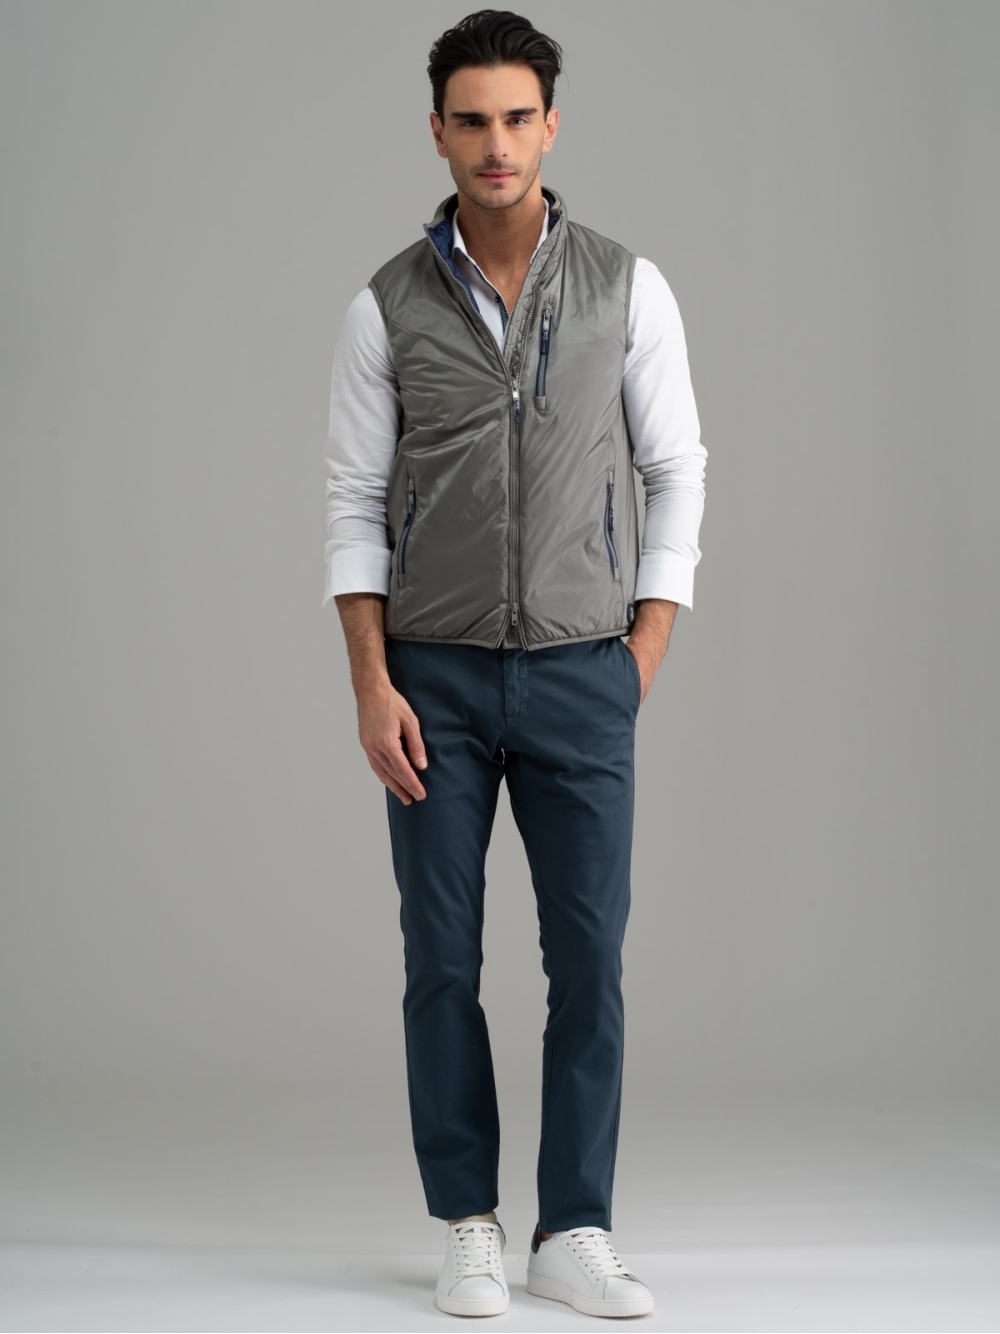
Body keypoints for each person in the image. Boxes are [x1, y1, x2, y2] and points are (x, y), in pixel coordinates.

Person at [323, 8, 707, 1319]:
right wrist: (371, 681)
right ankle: (469, 1222)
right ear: (437, 133)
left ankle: (575, 1226)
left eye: (518, 118)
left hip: (585, 670)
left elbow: (677, 468)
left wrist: (644, 645)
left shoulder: (626, 287)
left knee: (588, 961)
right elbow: (351, 503)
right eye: (472, 121)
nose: (497, 144)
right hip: (429, 679)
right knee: (441, 957)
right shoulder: (385, 306)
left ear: (552, 127)